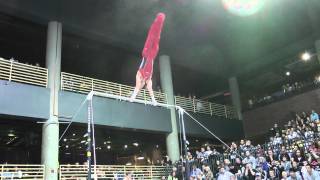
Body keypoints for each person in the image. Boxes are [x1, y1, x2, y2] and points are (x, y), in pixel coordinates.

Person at [130, 13, 166, 105]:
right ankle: (161, 20)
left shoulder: (139, 75)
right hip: (153, 55)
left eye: (141, 85)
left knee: (151, 36)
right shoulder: (148, 80)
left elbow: (137, 87)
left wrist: (133, 97)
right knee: (157, 37)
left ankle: (157, 19)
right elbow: (150, 90)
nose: (142, 85)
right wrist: (154, 101)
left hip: (146, 53)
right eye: (143, 85)